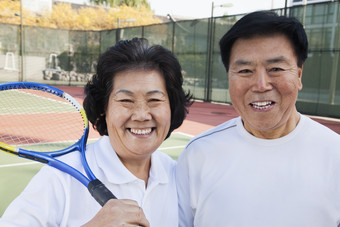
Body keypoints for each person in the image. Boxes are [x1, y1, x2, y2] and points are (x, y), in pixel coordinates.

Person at [0, 37, 191, 226]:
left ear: (172, 108)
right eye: (126, 101)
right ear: (103, 109)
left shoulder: (177, 175)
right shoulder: (60, 177)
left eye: (155, 101)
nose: (141, 115)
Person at [176, 11, 340, 227]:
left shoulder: (334, 153)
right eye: (245, 70)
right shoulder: (198, 154)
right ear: (229, 78)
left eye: (275, 69)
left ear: (299, 75)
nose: (261, 85)